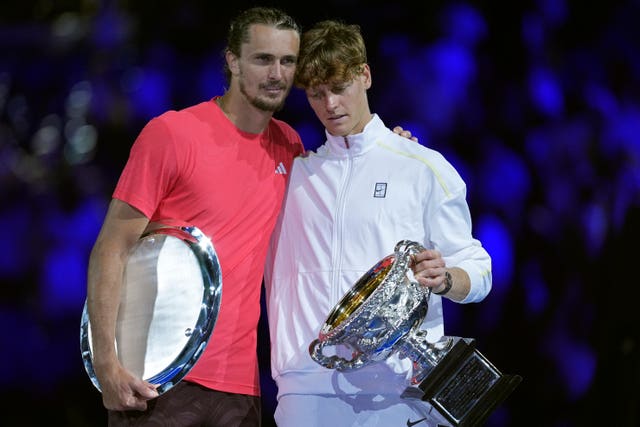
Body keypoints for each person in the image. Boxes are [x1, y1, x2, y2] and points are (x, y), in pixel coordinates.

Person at [264, 20, 492, 426]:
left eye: (339, 87)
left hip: (395, 392)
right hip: (303, 390)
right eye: (317, 94)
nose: (330, 105)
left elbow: (479, 268)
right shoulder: (291, 177)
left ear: (364, 75)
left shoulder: (422, 167)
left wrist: (446, 278)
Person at [86, 7, 304, 426]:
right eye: (263, 59)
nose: (276, 73)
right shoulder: (171, 134)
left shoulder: (289, 146)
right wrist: (106, 365)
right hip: (156, 379)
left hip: (242, 389)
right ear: (233, 61)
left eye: (287, 61)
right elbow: (110, 249)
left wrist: (388, 140)